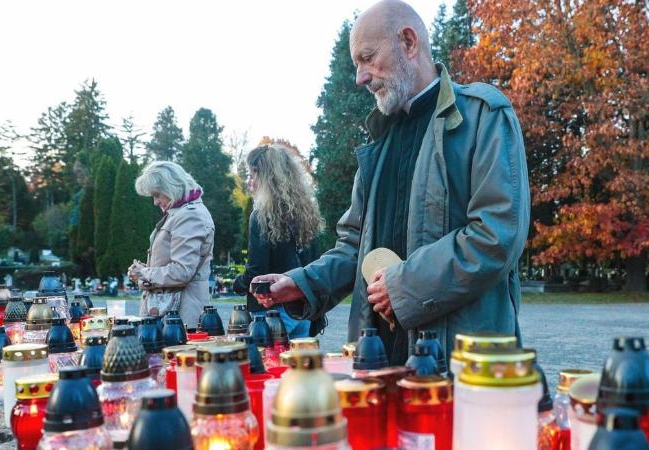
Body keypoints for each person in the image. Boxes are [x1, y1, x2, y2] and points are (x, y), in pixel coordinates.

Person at [251, 0, 530, 365]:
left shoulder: (483, 115)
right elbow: (355, 246)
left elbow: (497, 234)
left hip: (460, 366)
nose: (360, 77)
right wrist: (302, 282)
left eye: (367, 58)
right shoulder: (377, 142)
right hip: (377, 359)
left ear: (409, 42)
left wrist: (404, 287)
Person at [232, 144, 322, 338]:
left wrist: (236, 284)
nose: (250, 182)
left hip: (270, 311)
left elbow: (256, 271)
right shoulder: (307, 213)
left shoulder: (261, 216)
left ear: (265, 177)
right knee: (297, 366)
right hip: (302, 309)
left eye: (252, 175)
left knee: (267, 366)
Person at [128, 161, 216, 328]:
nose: (155, 202)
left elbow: (182, 271)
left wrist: (144, 273)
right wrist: (143, 273)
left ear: (171, 187)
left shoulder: (189, 216)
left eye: (157, 194)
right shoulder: (181, 212)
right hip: (172, 314)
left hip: (180, 317)